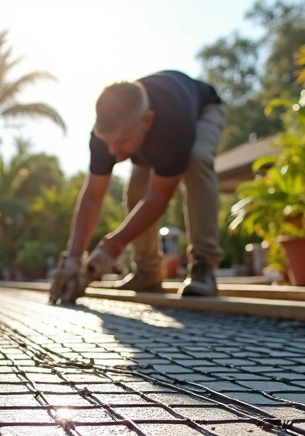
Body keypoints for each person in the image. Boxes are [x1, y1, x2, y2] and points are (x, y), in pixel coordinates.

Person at [49, 70, 225, 305]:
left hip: (202, 110)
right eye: (107, 142)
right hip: (151, 137)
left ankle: (204, 266)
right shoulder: (107, 135)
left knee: (197, 159)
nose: (112, 152)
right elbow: (92, 196)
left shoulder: (174, 124)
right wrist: (72, 259)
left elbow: (160, 198)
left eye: (121, 142)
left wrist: (111, 248)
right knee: (135, 192)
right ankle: (147, 272)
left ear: (147, 120)